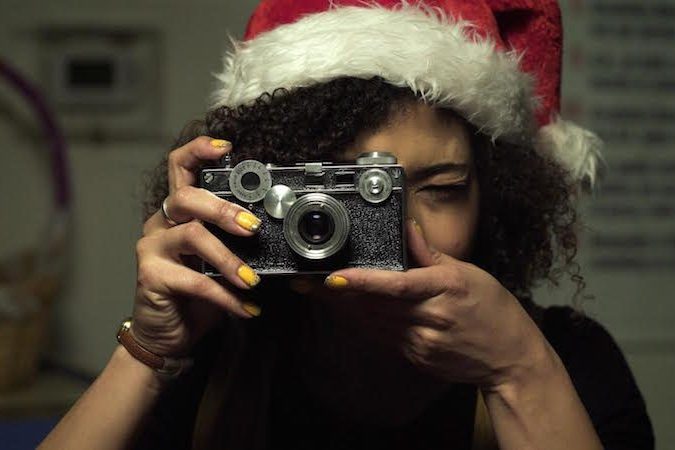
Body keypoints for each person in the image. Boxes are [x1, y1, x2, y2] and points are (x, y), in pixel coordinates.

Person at [39, 1, 654, 449]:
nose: (396, 228)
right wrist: (147, 356)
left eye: (440, 189)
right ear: (271, 191)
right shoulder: (214, 360)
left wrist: (519, 371)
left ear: (494, 199)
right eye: (338, 198)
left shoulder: (565, 358)